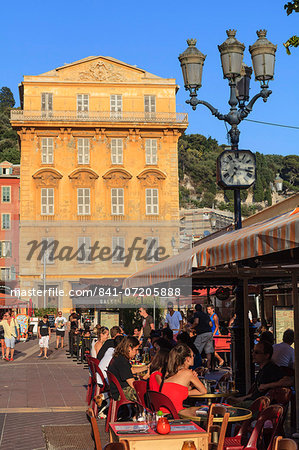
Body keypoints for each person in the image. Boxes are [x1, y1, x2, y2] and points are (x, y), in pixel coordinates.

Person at [228, 341, 292, 408]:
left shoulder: (272, 369)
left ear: (267, 355)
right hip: (252, 403)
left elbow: (289, 381)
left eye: (256, 352)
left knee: (226, 410)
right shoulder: (263, 370)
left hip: (258, 408)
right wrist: (239, 399)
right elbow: (255, 393)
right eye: (253, 351)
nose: (253, 354)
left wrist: (266, 385)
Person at [160, 343, 207, 413]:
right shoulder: (188, 373)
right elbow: (203, 391)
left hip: (163, 413)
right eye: (192, 356)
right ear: (188, 359)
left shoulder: (169, 372)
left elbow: (177, 390)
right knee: (204, 410)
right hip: (177, 415)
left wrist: (187, 389)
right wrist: (188, 390)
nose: (194, 358)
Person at [108, 336, 150, 401]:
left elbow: (132, 370)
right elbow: (133, 385)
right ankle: (146, 411)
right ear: (129, 348)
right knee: (148, 392)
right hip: (120, 392)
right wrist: (146, 377)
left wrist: (147, 367)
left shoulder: (119, 357)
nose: (137, 353)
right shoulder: (122, 362)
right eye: (136, 350)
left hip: (117, 390)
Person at [191, 304, 213, 370]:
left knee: (195, 349)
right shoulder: (206, 314)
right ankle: (208, 367)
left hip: (202, 334)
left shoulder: (197, 314)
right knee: (208, 351)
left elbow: (196, 322)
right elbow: (211, 325)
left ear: (195, 309)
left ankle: (197, 367)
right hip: (209, 333)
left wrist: (191, 327)